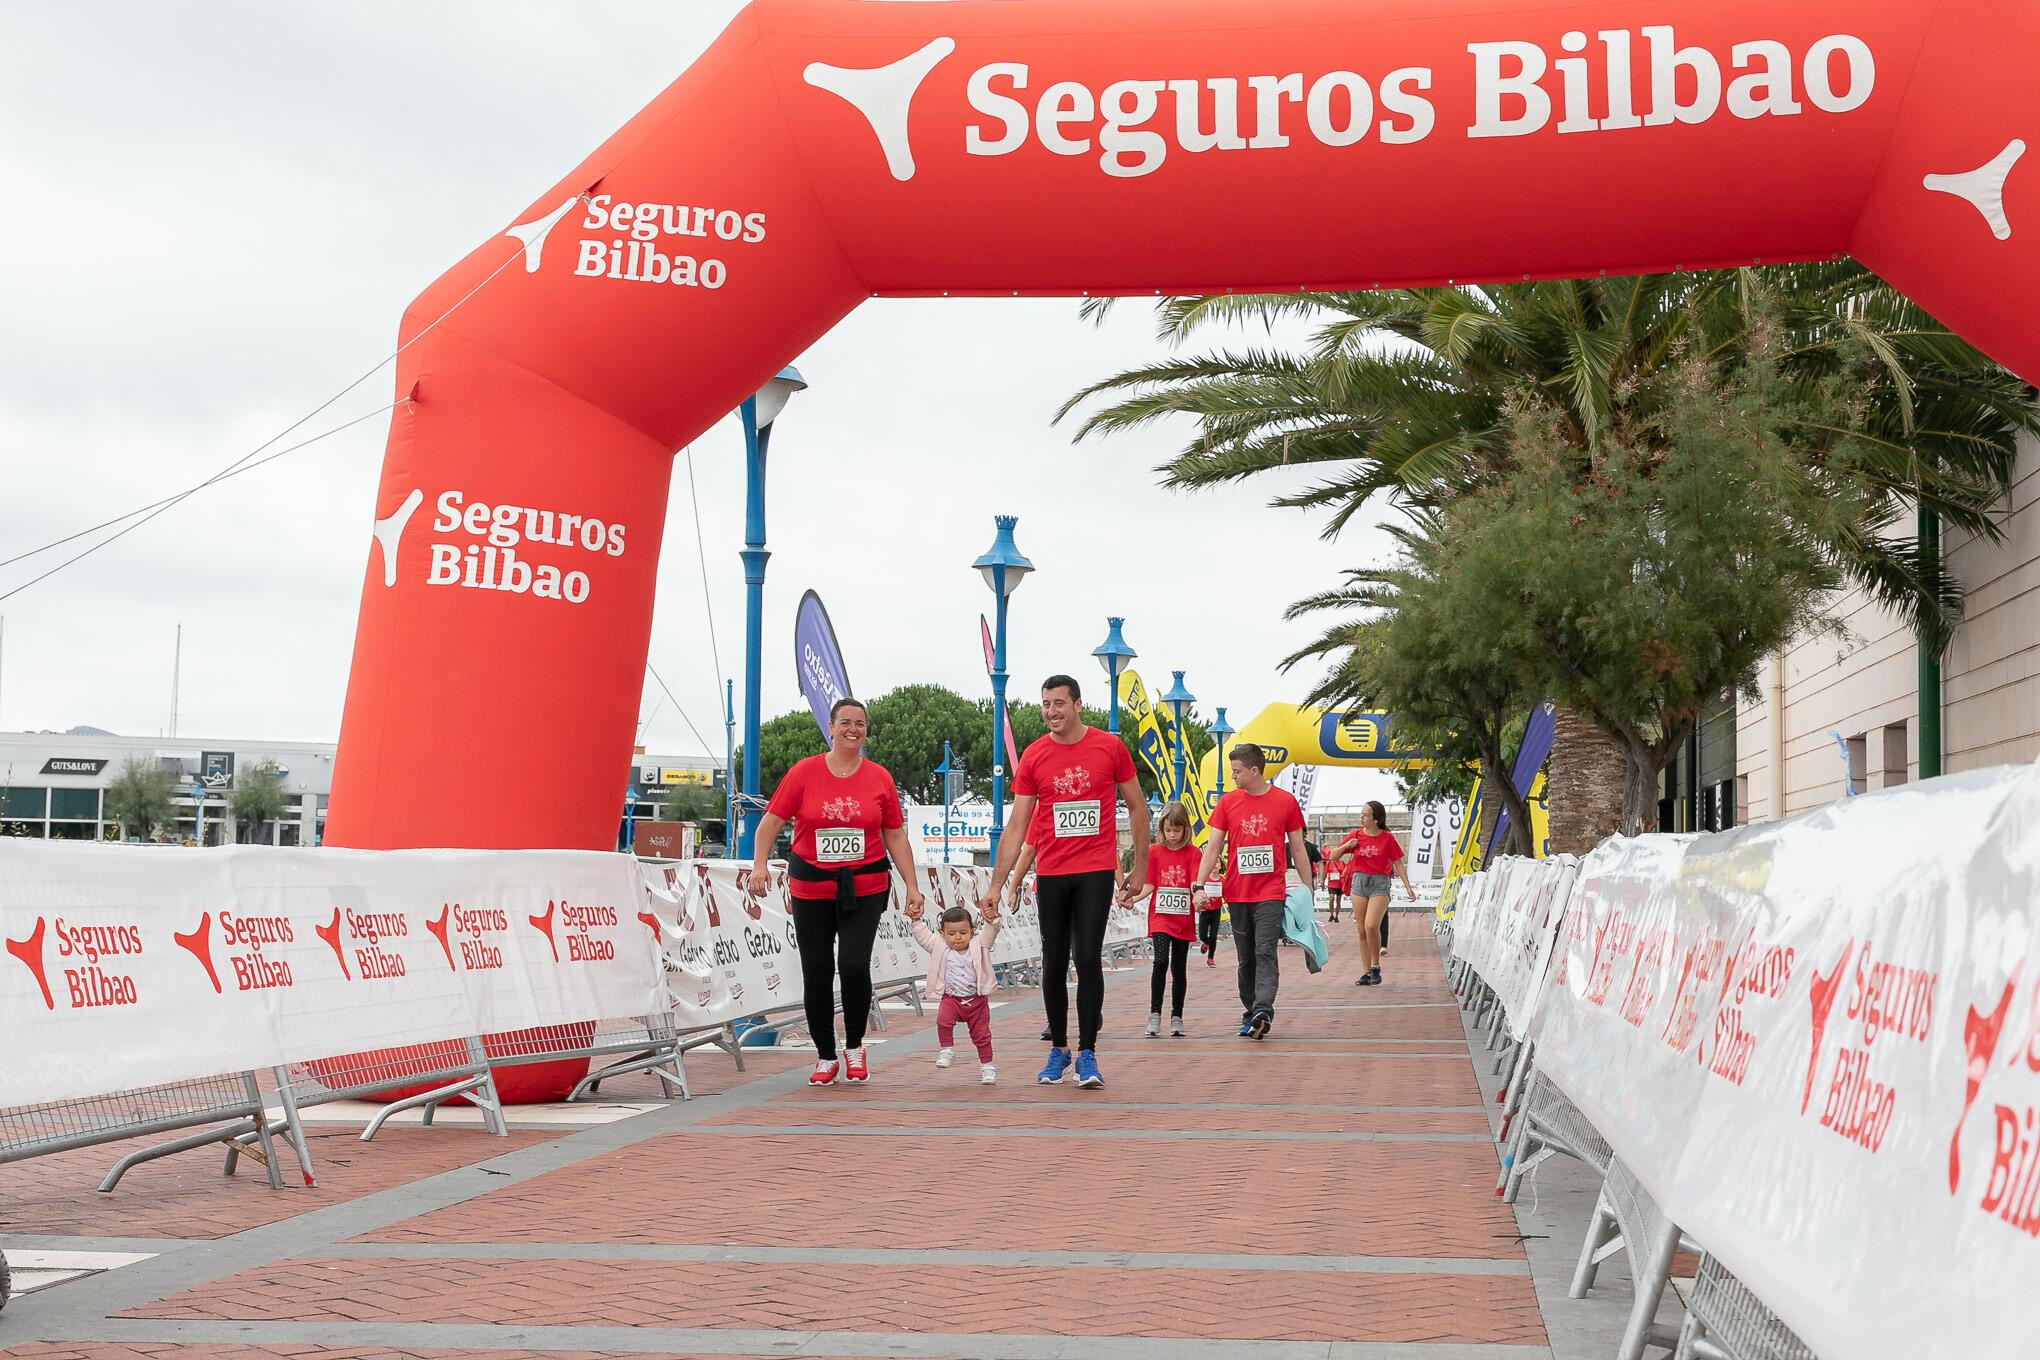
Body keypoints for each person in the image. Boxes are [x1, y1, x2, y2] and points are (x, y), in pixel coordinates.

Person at [745, 697, 924, 1086]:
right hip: (812, 887)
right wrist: (759, 865)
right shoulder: (803, 773)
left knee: (856, 965)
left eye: (860, 724)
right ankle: (826, 1054)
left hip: (866, 886)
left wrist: (912, 885)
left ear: (866, 730)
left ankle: (856, 1047)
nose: (853, 730)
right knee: (818, 970)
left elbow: (893, 832)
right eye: (845, 722)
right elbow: (770, 823)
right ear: (830, 727)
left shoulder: (879, 777)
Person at [983, 674, 1148, 1089]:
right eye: (1045, 704)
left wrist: (1140, 867)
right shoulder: (1035, 756)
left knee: (1088, 957)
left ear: (1077, 704)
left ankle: (1088, 1052)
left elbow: (1137, 807)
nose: (1051, 712)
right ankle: (1059, 1049)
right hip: (1053, 873)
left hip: (1094, 871)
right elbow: (1018, 825)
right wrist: (996, 884)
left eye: (1058, 703)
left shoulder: (1109, 747)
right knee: (1053, 963)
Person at [1194, 743, 1307, 1041]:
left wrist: (1308, 888)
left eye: (1237, 771)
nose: (1233, 776)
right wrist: (1199, 884)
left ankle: (1263, 1009)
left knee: (1265, 950)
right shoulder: (1228, 803)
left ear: (1255, 771)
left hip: (1271, 892)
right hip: (1238, 892)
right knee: (1246, 958)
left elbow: (1297, 847)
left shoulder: (1286, 802)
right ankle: (1250, 1012)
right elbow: (1213, 846)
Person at [1125, 801, 1199, 1037]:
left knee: (1179, 967)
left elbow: (1194, 883)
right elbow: (1149, 885)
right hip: (1160, 918)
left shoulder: (1193, 853)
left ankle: (1177, 1015)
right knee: (1160, 962)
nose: (1173, 835)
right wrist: (1133, 899)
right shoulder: (1154, 851)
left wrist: (1198, 895)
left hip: (1182, 919)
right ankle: (1154, 1014)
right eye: (1168, 830)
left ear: (1185, 829)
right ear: (1162, 829)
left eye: (1177, 830)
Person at [907, 902, 1000, 1085]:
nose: (957, 938)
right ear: (942, 933)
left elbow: (992, 931)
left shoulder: (980, 943)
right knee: (943, 1020)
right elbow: (924, 937)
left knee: (982, 1036)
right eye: (951, 933)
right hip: (952, 998)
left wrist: (992, 919)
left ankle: (987, 1067)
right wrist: (916, 920)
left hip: (977, 1001)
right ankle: (947, 1049)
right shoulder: (939, 946)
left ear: (972, 931)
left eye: (963, 933)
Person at [1332, 800, 1416, 987]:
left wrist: (1408, 887)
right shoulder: (1355, 835)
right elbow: (1332, 856)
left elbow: (1398, 863)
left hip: (1380, 883)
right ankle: (1366, 971)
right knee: (1362, 930)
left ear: (1376, 819)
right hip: (1359, 882)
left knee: (1371, 926)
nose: (1361, 817)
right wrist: (1347, 846)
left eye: (1366, 814)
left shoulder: (1387, 838)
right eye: (1362, 814)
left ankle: (1376, 966)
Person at [1325, 850, 1348, 924]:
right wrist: (1322, 882)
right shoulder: (1329, 863)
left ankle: (1336, 916)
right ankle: (1331, 914)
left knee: (1338, 900)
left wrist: (1343, 878)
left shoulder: (1342, 863)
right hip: (1331, 884)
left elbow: (1345, 873)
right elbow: (1325, 872)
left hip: (1339, 884)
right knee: (1331, 898)